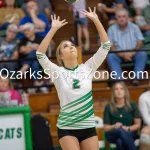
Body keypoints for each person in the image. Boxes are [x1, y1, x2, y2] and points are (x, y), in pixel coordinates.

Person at [36, 7, 111, 150]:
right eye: (65, 46)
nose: (71, 47)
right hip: (67, 128)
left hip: (88, 126)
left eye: (72, 45)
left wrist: (95, 20)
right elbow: (40, 54)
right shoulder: (57, 72)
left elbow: (106, 45)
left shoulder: (87, 68)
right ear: (61, 56)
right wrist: (53, 29)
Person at [107, 8, 147, 85]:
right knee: (110, 56)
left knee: (142, 54)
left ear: (127, 17)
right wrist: (122, 54)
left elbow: (140, 41)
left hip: (134, 53)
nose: (122, 18)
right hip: (118, 55)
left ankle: (136, 79)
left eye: (124, 16)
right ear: (116, 18)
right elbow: (110, 45)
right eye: (119, 16)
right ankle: (120, 81)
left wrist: (132, 53)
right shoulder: (111, 29)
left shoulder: (134, 27)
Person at [103, 81, 141, 150]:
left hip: (130, 132)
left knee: (120, 141)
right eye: (116, 89)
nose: (119, 91)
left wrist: (128, 128)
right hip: (113, 134)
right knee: (120, 130)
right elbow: (105, 127)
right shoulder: (108, 107)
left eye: (121, 89)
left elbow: (138, 124)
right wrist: (114, 126)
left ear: (125, 91)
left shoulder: (133, 105)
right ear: (113, 92)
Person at [18, 23, 45, 92]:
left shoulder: (40, 38)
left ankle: (23, 69)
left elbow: (43, 49)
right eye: (24, 31)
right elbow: (21, 49)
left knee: (35, 53)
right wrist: (34, 47)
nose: (26, 32)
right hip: (24, 60)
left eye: (28, 30)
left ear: (33, 30)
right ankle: (36, 82)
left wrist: (29, 48)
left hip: (40, 60)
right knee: (34, 61)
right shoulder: (23, 40)